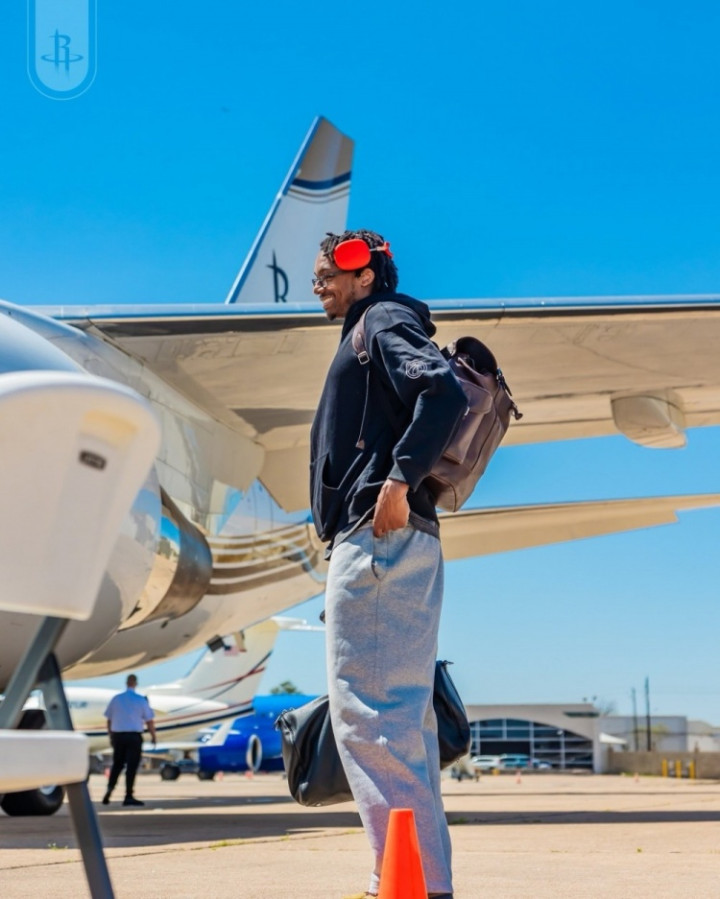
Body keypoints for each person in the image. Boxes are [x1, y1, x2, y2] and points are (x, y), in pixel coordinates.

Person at [310, 229, 467, 899]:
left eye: (328, 274)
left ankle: (407, 885)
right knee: (401, 722)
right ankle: (420, 881)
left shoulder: (379, 319)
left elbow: (442, 391)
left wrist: (398, 481)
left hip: (379, 538)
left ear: (365, 275)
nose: (318, 284)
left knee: (370, 719)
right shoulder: (376, 324)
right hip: (396, 543)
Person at [102, 673, 156, 807]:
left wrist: (111, 736)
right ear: (135, 683)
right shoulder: (140, 700)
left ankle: (110, 788)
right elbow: (149, 720)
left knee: (117, 764)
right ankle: (128, 795)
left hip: (118, 736)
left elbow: (109, 720)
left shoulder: (116, 699)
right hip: (134, 736)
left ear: (126, 683)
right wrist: (153, 736)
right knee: (131, 766)